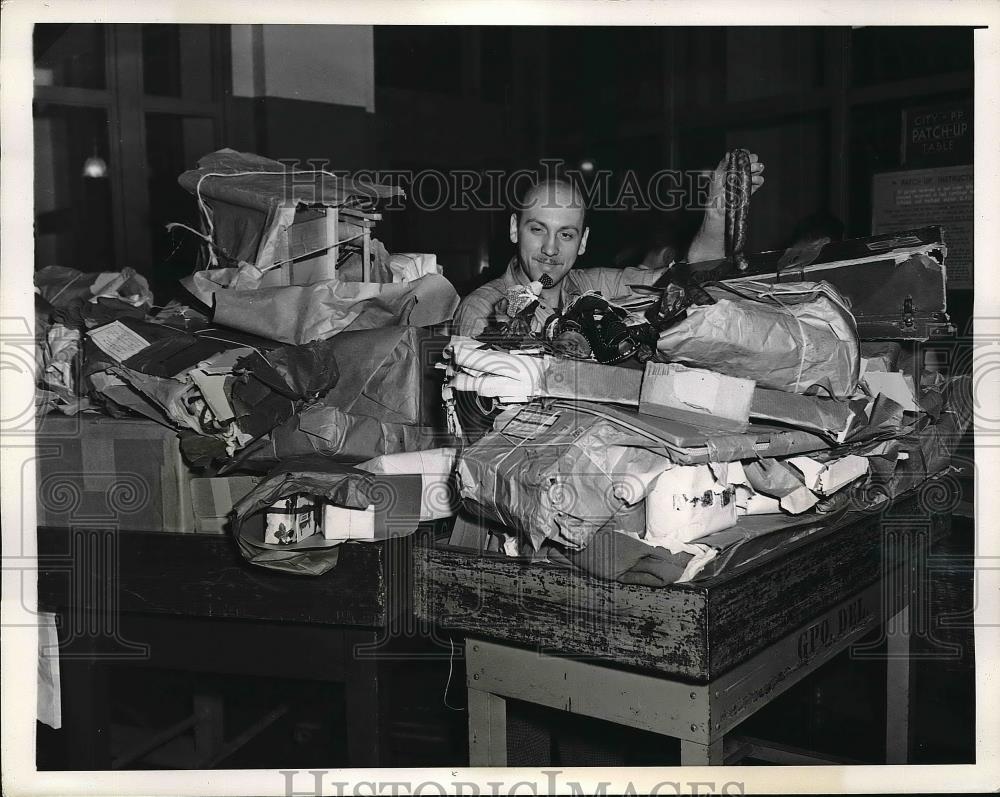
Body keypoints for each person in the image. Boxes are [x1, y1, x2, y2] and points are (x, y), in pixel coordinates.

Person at [453, 152, 766, 338]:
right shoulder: (483, 308)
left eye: (566, 235)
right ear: (514, 229)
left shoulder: (594, 286)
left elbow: (689, 281)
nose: (550, 249)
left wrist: (716, 214)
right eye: (537, 230)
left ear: (583, 242)